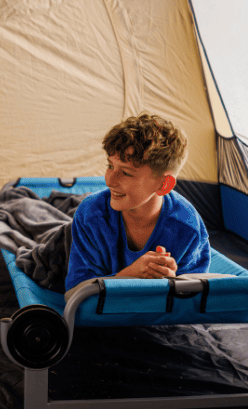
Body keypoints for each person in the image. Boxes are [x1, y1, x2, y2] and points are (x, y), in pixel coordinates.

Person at [65, 113, 211, 291]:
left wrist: (172, 286)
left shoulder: (188, 228)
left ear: (164, 185)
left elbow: (192, 302)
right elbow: (74, 294)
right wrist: (131, 276)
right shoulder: (90, 214)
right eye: (110, 166)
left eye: (126, 173)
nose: (109, 181)